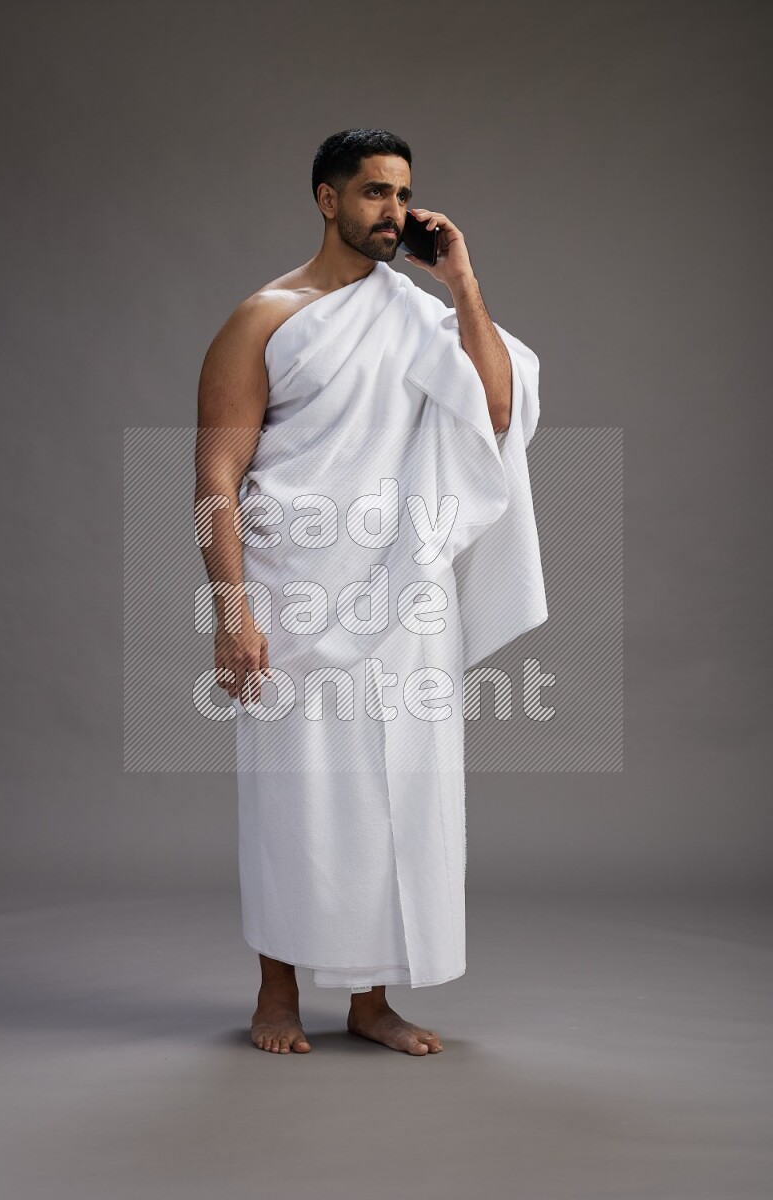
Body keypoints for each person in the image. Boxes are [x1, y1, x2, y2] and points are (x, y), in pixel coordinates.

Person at [195, 129, 547, 1056]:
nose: (394, 212)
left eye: (403, 195)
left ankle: (369, 999)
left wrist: (460, 281)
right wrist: (230, 615)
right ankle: (277, 992)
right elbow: (216, 479)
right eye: (374, 194)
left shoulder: (421, 314)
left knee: (398, 788)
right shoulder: (264, 316)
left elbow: (497, 410)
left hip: (403, 595)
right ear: (326, 199)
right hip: (291, 593)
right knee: (293, 794)